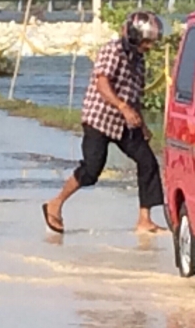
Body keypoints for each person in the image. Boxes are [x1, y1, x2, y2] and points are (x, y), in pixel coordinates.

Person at [43, 12, 166, 236]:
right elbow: (102, 83)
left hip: (125, 122)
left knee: (148, 162)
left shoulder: (139, 60)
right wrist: (122, 107)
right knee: (91, 170)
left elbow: (134, 95)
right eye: (146, 41)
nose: (149, 46)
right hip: (99, 118)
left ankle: (144, 219)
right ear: (134, 37)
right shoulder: (112, 51)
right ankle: (56, 203)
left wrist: (142, 124)